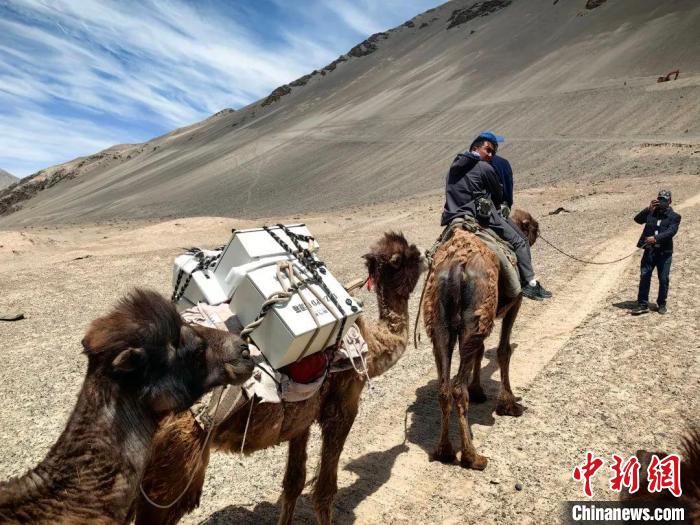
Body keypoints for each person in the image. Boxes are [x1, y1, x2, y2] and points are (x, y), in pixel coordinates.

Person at [441, 133, 551, 300]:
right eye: (488, 150)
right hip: (479, 218)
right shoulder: (484, 167)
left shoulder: (452, 167)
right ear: (475, 148)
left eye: (493, 152)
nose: (490, 155)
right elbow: (498, 195)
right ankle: (529, 283)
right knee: (520, 241)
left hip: (454, 218)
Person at [631, 190, 681, 315]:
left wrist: (655, 238)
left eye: (664, 199)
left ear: (670, 201)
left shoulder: (675, 216)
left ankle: (662, 303)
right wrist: (648, 209)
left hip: (664, 253)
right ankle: (642, 304)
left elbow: (671, 232)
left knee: (663, 279)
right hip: (650, 252)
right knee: (644, 276)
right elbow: (637, 220)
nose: (661, 202)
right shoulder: (651, 212)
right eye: (660, 199)